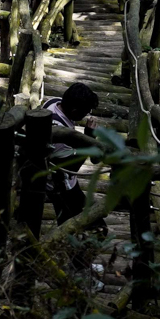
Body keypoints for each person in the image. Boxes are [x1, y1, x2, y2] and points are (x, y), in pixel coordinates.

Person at [43, 82, 107, 236]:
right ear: (74, 111)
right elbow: (71, 167)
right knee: (91, 229)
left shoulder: (53, 103)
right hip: (61, 186)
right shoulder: (60, 136)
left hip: (59, 179)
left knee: (70, 226)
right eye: (85, 112)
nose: (87, 115)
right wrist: (89, 137)